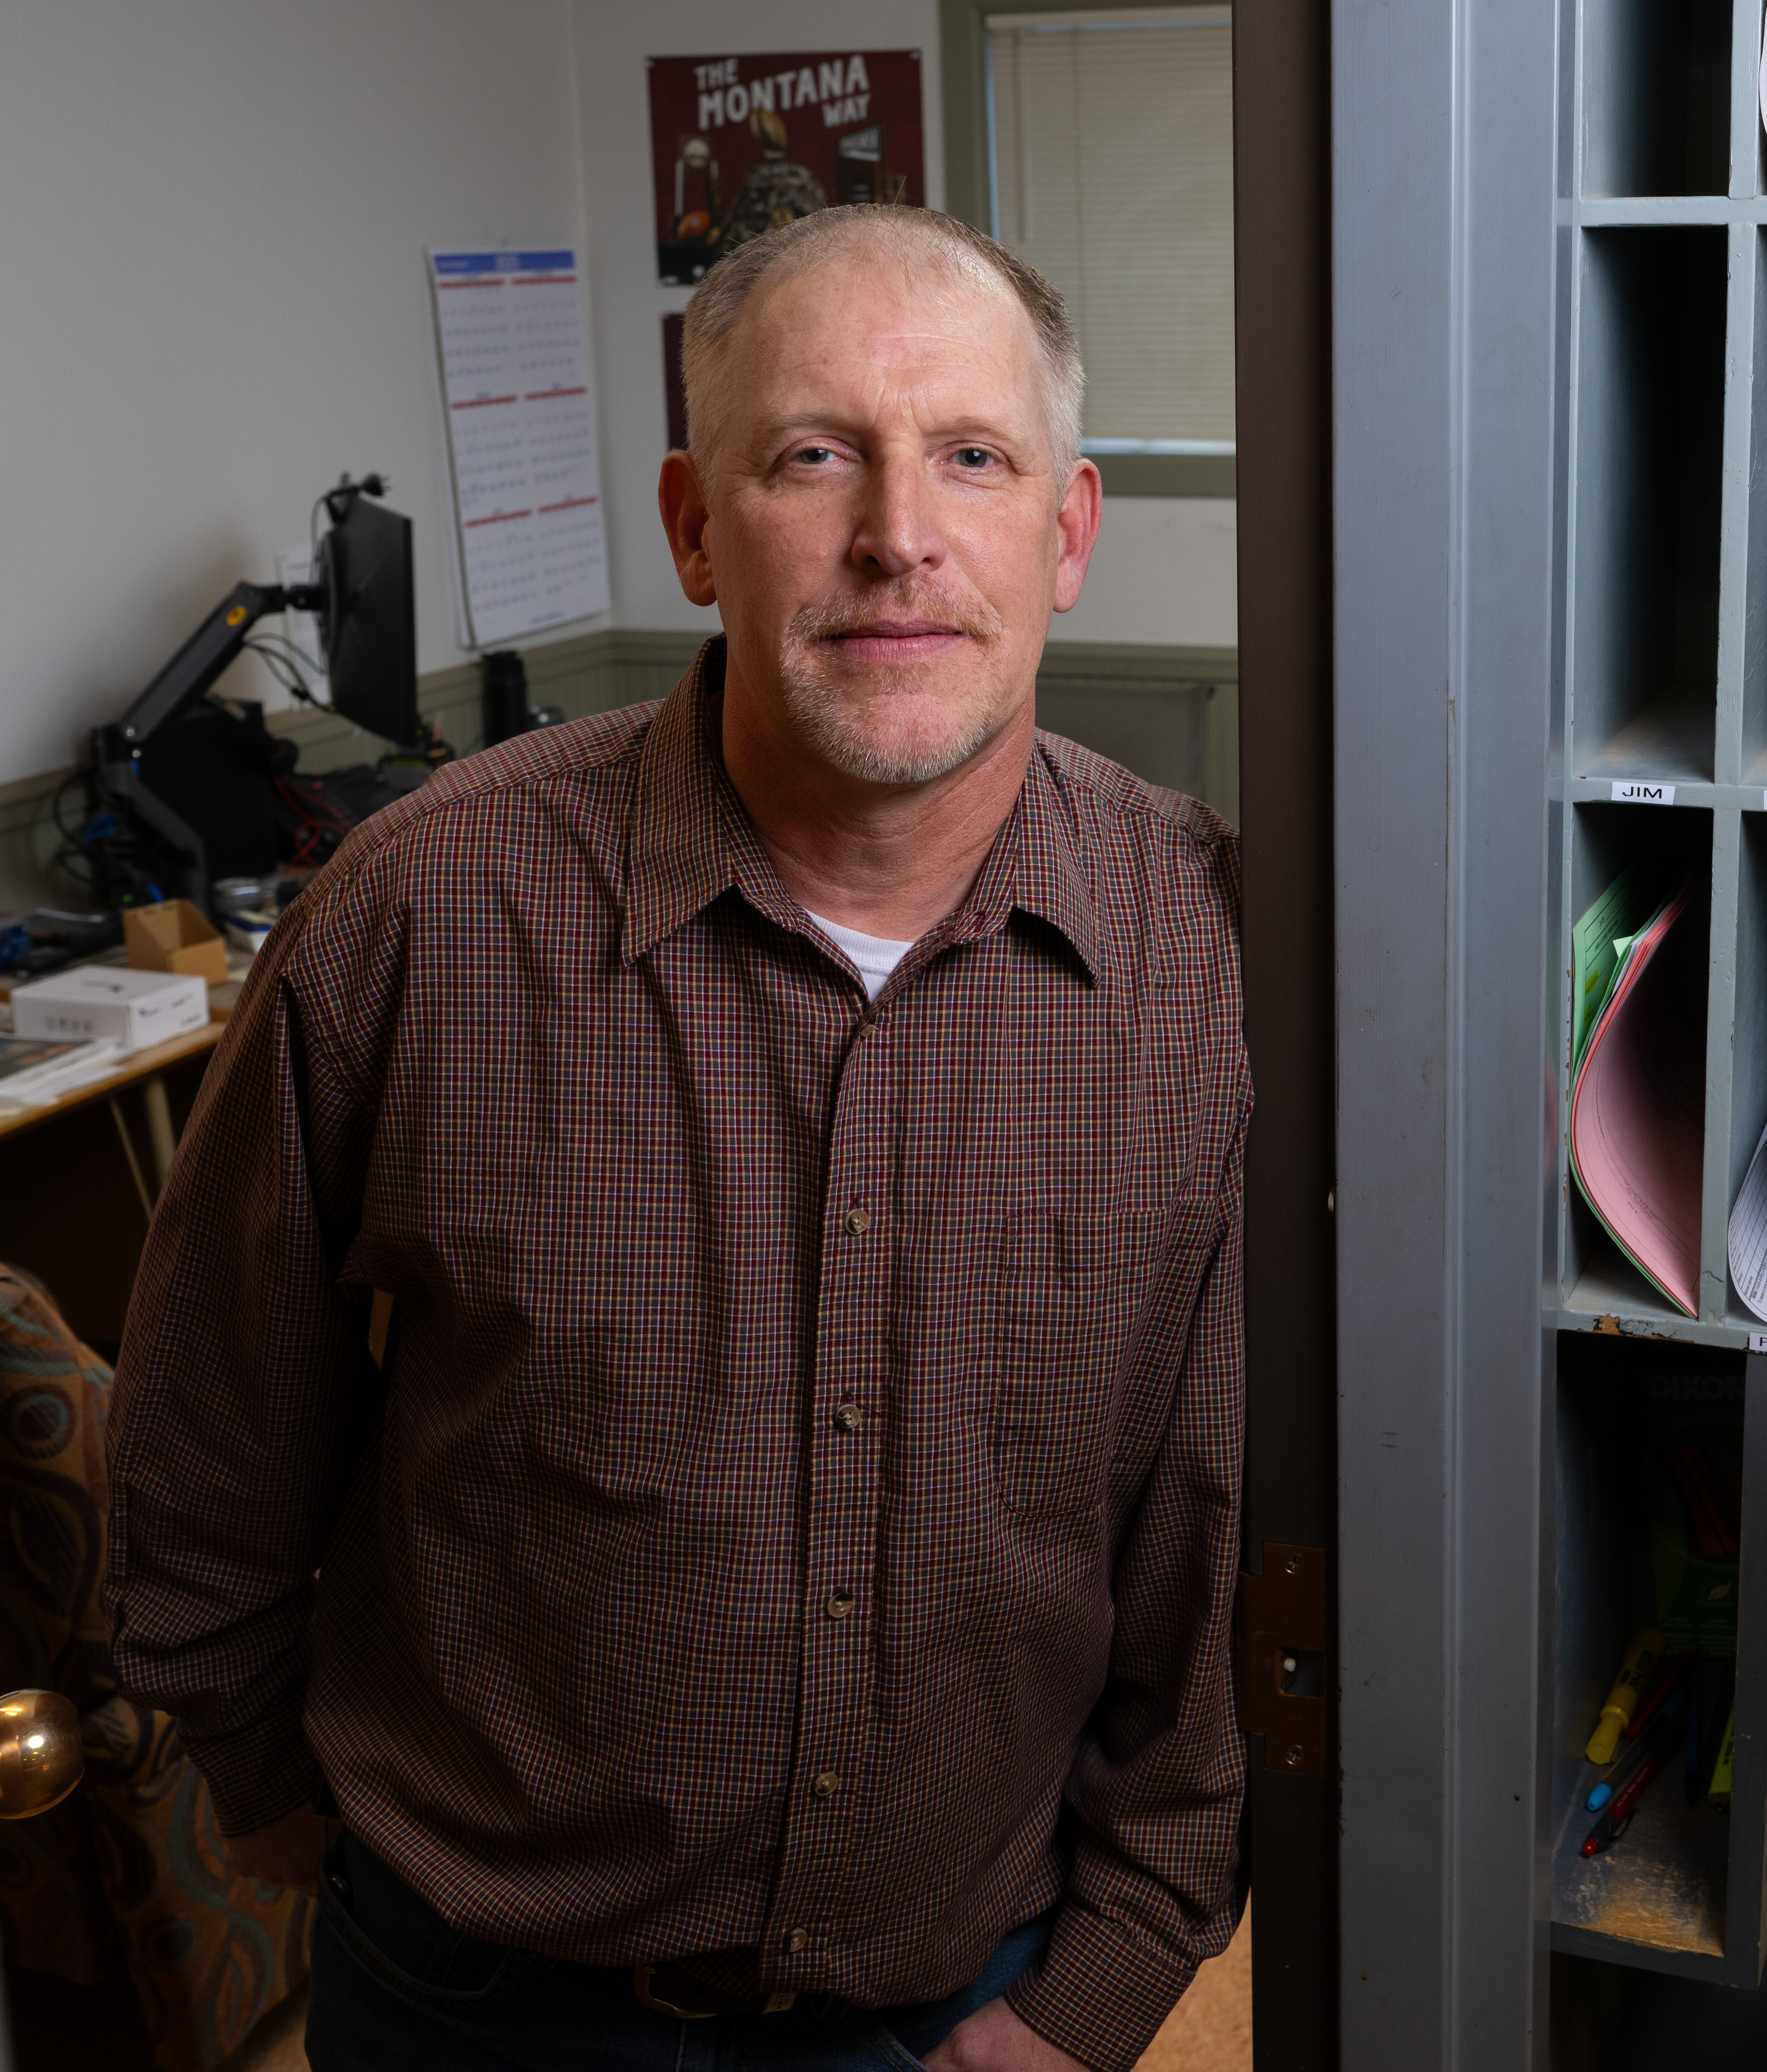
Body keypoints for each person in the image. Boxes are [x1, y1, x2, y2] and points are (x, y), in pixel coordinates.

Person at [103, 205, 1248, 2072]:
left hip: (968, 2008)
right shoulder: (422, 912)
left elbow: (1215, 1531)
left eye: (972, 456)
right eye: (814, 457)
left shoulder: (1202, 953)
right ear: (695, 525)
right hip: (475, 2003)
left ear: (1067, 530)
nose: (899, 535)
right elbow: (212, 1428)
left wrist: (1110, 1973)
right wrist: (273, 1796)